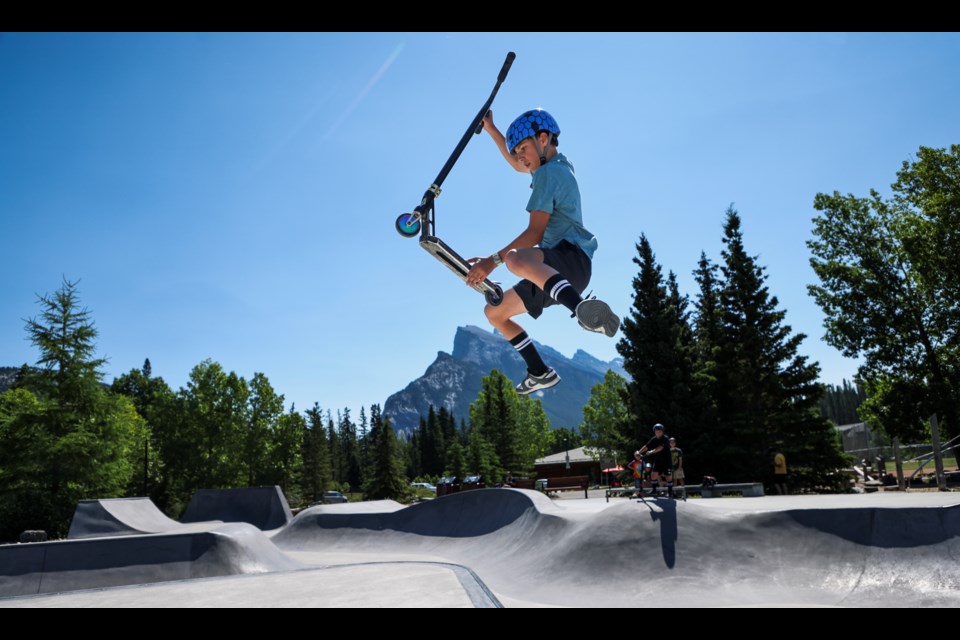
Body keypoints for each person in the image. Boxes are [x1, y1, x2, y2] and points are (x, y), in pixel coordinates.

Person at [466, 109, 620, 395]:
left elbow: (534, 233)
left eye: (523, 149)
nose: (520, 157)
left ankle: (580, 309)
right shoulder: (558, 165)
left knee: (515, 257)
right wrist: (491, 128)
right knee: (495, 312)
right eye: (517, 151)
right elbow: (516, 164)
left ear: (544, 139)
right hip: (553, 275)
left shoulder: (548, 174)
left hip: (570, 259)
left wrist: (491, 262)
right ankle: (539, 372)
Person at [637, 424, 672, 497]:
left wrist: (651, 451)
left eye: (660, 431)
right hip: (658, 460)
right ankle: (654, 490)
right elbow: (647, 446)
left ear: (662, 432)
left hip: (666, 460)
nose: (658, 432)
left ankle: (670, 492)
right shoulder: (654, 439)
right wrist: (639, 452)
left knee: (668, 476)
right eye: (656, 431)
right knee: (653, 475)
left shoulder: (665, 438)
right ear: (654, 432)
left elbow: (660, 448)